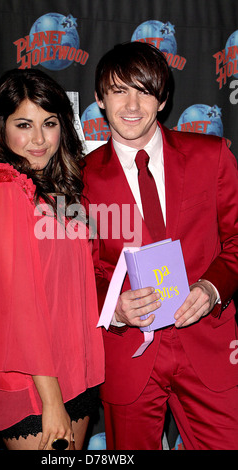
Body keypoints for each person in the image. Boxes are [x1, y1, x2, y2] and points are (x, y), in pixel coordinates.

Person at [83, 41, 238, 450]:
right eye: (119, 91)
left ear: (163, 98)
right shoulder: (77, 179)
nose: (132, 105)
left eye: (145, 90)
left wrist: (212, 288)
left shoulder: (212, 156)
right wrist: (113, 305)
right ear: (100, 99)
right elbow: (77, 270)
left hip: (209, 342)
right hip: (127, 353)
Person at [0, 68, 104, 450]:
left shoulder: (58, 193)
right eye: (24, 124)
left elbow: (77, 280)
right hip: (33, 386)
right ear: (1, 128)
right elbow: (17, 307)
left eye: (50, 123)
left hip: (75, 373)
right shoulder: (3, 191)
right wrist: (51, 399)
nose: (39, 139)